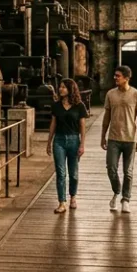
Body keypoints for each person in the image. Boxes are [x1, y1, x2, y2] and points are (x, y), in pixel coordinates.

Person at [100, 65, 137, 214]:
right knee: (111, 168)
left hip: (130, 139)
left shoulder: (136, 95)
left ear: (126, 78)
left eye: (118, 76)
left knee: (128, 171)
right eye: (115, 75)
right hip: (113, 137)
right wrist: (102, 136)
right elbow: (106, 116)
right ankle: (117, 190)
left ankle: (126, 199)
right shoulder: (110, 94)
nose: (115, 78)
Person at [45, 78, 88, 214]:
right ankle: (62, 202)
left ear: (70, 89)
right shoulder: (56, 106)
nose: (60, 89)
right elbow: (53, 124)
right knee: (60, 173)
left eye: (63, 87)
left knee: (73, 173)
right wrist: (49, 141)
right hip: (59, 140)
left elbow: (82, 126)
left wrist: (82, 144)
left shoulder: (79, 106)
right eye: (60, 87)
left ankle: (73, 197)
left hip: (74, 140)